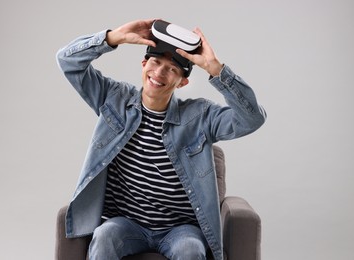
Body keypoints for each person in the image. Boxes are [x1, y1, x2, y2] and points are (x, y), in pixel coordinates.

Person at [56, 19, 266, 260]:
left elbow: (252, 119)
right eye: (155, 62)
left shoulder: (199, 116)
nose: (159, 73)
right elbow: (67, 61)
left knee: (190, 250)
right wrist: (113, 37)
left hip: (180, 230)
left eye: (172, 69)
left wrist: (215, 68)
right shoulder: (114, 99)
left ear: (182, 82)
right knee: (105, 236)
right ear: (144, 63)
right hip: (127, 225)